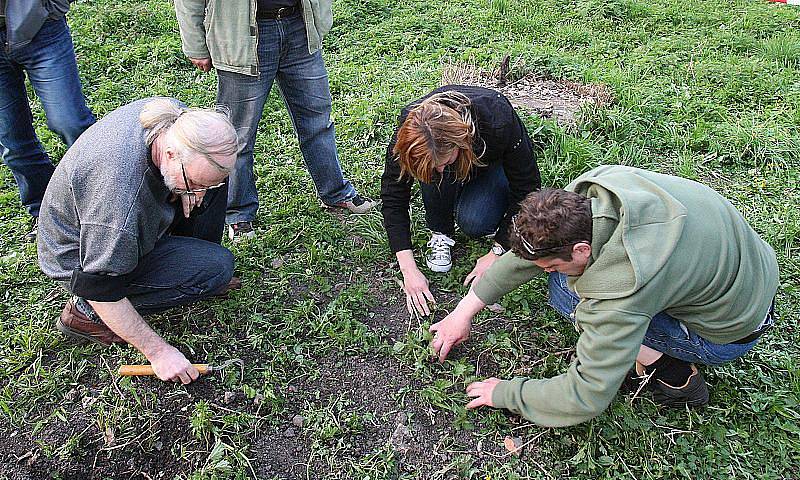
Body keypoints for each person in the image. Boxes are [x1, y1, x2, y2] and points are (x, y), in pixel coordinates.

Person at [429, 165, 778, 427]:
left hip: (730, 333)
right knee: (564, 281)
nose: (546, 269)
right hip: (752, 271)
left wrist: (505, 393)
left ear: (581, 250)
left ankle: (671, 373)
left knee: (568, 294)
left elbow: (585, 396)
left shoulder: (622, 289)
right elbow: (528, 259)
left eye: (551, 264)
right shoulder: (598, 192)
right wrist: (463, 312)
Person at [37, 98, 241, 385]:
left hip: (117, 226)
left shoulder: (176, 123)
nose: (200, 192)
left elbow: (204, 174)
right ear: (170, 155)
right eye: (194, 184)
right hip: (83, 257)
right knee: (218, 267)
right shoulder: (119, 203)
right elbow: (99, 285)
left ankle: (193, 260)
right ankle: (83, 314)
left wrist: (194, 187)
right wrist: (158, 353)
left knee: (215, 183)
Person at [174, 0, 377, 242]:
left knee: (318, 123)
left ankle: (335, 192)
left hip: (299, 25)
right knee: (236, 136)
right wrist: (195, 44)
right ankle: (238, 213)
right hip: (242, 34)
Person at [381, 85, 541, 316]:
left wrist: (497, 251)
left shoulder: (497, 118)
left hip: (488, 163)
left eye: (444, 161)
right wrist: (409, 270)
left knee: (474, 222)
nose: (439, 169)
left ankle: (477, 195)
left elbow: (528, 187)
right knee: (436, 172)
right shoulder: (410, 131)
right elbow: (393, 196)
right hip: (455, 160)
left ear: (460, 142)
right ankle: (441, 232)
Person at [0, 0, 95, 241]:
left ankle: (102, 204)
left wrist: (51, 8)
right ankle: (45, 213)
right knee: (14, 143)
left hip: (40, 28)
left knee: (72, 123)